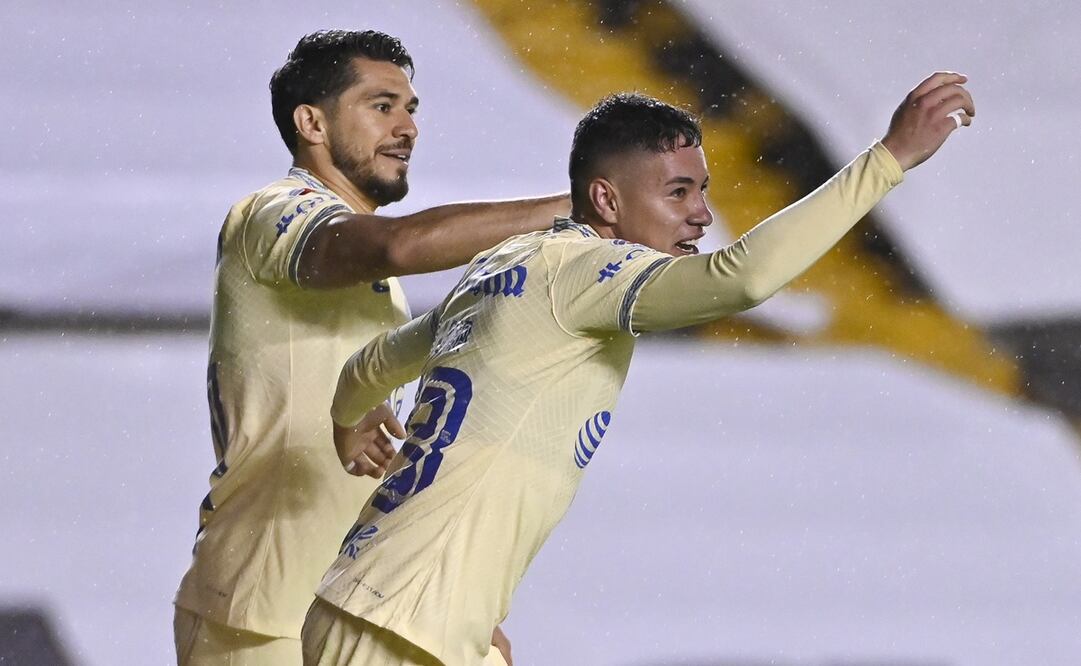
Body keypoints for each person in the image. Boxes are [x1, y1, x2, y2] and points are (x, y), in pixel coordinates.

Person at [300, 72, 975, 666]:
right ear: (607, 201)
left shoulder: (510, 265)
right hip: (400, 627)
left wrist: (350, 418)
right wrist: (889, 158)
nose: (701, 214)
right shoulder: (587, 272)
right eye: (677, 192)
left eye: (702, 190)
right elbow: (742, 279)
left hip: (395, 606)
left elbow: (373, 362)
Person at [173, 30, 568, 665]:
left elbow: (375, 453)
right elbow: (399, 245)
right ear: (312, 123)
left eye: (411, 109)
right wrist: (578, 211)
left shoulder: (376, 279)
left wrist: (447, 599)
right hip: (262, 612)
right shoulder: (273, 211)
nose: (407, 128)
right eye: (382, 106)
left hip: (356, 606)